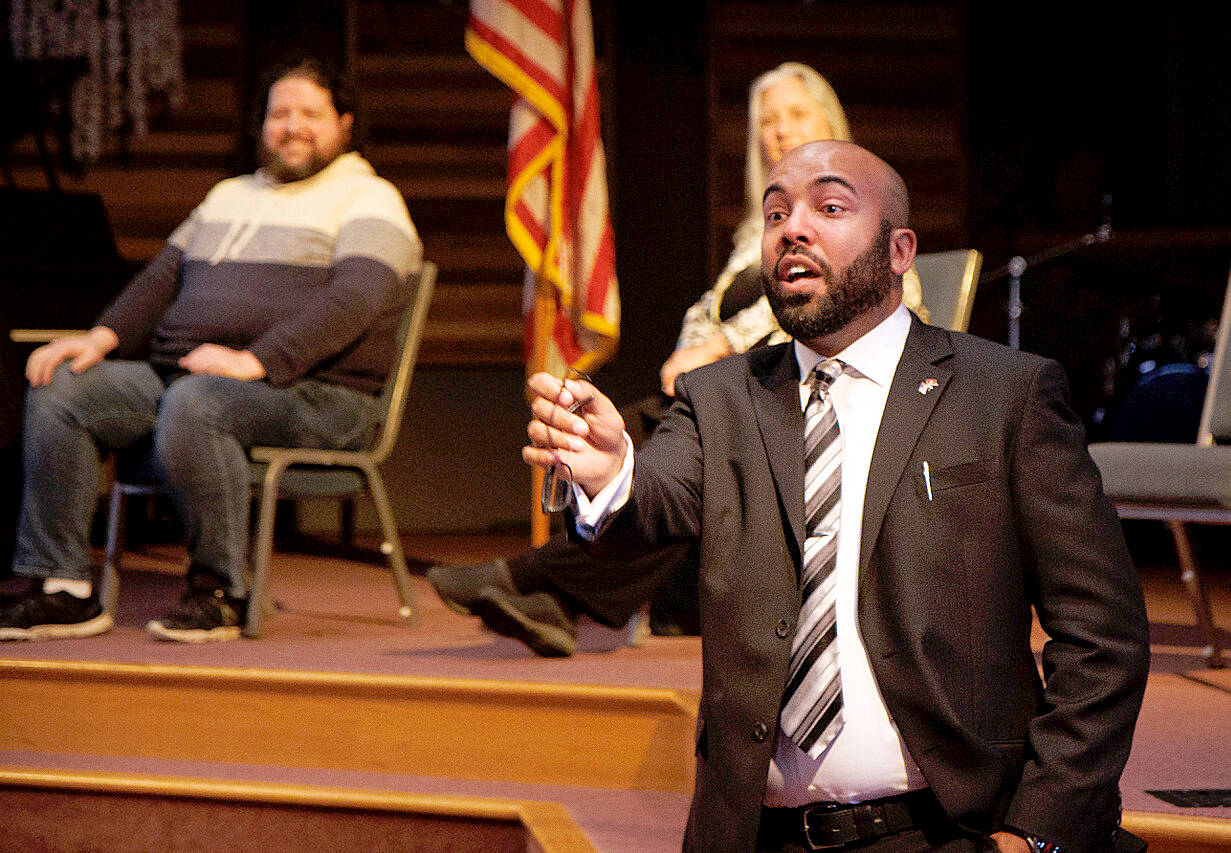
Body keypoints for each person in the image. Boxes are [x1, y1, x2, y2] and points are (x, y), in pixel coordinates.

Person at [524, 141, 1149, 852]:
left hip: (949, 831)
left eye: (828, 207)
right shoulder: (720, 397)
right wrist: (611, 474)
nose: (793, 227)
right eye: (775, 212)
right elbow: (654, 499)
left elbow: (1104, 635)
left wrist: (1036, 830)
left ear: (899, 250)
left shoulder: (1005, 395)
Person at [429, 61, 928, 656]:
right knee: (672, 426)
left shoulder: (862, 213)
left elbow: (851, 303)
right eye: (766, 123)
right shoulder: (759, 231)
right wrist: (694, 351)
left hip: (835, 403)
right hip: (759, 398)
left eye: (796, 115)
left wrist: (722, 351)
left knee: (688, 428)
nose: (779, 131)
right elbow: (708, 310)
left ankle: (539, 581)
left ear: (831, 121)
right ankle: (556, 593)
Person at [0, 56, 422, 643]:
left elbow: (355, 301)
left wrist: (258, 362)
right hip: (191, 380)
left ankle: (219, 590)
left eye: (310, 113)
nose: (292, 126)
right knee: (66, 384)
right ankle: (62, 589)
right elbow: (159, 280)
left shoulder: (370, 198)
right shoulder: (227, 194)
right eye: (280, 113)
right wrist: (100, 337)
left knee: (198, 401)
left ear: (344, 124)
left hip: (317, 394)